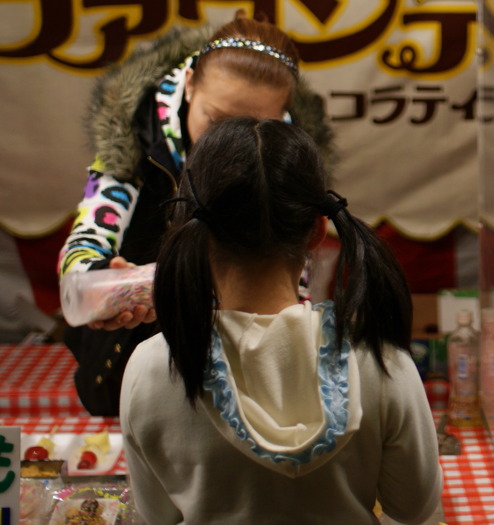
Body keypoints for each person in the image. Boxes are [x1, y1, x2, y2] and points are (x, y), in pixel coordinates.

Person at [120, 117, 442, 524]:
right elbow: (415, 508)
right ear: (317, 230)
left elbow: (156, 516)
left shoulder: (154, 366)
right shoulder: (381, 362)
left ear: (194, 228)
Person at [58, 13, 333, 416]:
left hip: (240, 361)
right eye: (217, 120)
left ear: (283, 119)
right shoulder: (135, 140)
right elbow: (82, 250)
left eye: (257, 126)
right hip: (134, 362)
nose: (232, 143)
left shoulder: (288, 155)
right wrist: (107, 285)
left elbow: (292, 279)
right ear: (189, 85)